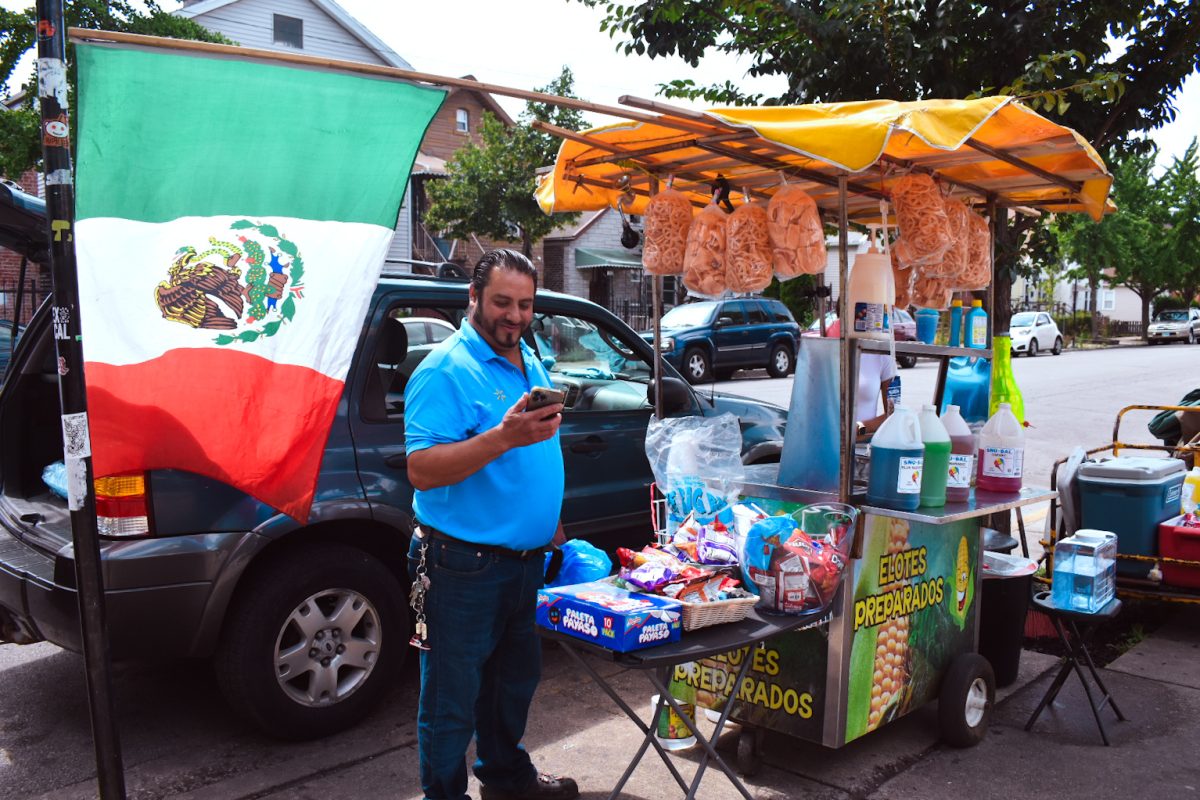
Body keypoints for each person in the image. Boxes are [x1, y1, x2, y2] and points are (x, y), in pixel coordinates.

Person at [404, 249, 578, 800]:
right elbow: (421, 470)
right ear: (473, 298)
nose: (515, 315)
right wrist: (502, 437)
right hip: (462, 566)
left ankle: (507, 781)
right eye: (502, 302)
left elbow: (533, 453)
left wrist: (549, 521)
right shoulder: (444, 370)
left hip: (523, 562)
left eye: (525, 305)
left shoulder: (526, 353)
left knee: (510, 689)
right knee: (451, 702)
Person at [825, 318, 898, 440]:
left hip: (861, 445)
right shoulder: (826, 351)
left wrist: (860, 427)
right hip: (826, 443)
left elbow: (894, 413)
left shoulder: (884, 355)